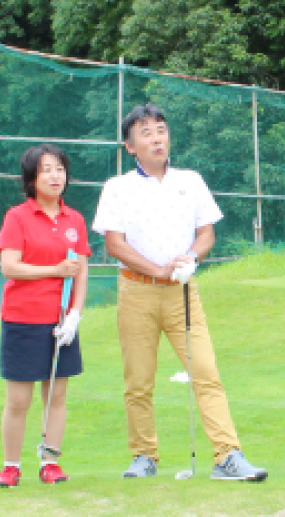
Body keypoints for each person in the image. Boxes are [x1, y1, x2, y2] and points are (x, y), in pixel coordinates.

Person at [91, 103, 268, 481]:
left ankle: (227, 455)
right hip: (137, 292)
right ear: (130, 146)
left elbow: (207, 233)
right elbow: (115, 244)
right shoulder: (117, 188)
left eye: (160, 130)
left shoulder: (191, 180)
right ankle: (144, 455)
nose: (156, 138)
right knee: (139, 380)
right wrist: (156, 269)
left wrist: (190, 256)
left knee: (205, 372)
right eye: (146, 133)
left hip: (183, 293)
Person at [0, 146, 90, 488]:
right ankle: (11, 465)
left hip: (61, 322)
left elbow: (81, 271)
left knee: (56, 397)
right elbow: (10, 266)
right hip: (23, 319)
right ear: (32, 178)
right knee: (19, 399)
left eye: (60, 168)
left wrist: (75, 314)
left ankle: (50, 461)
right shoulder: (17, 216)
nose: (54, 176)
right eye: (46, 169)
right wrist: (54, 270)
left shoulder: (74, 219)